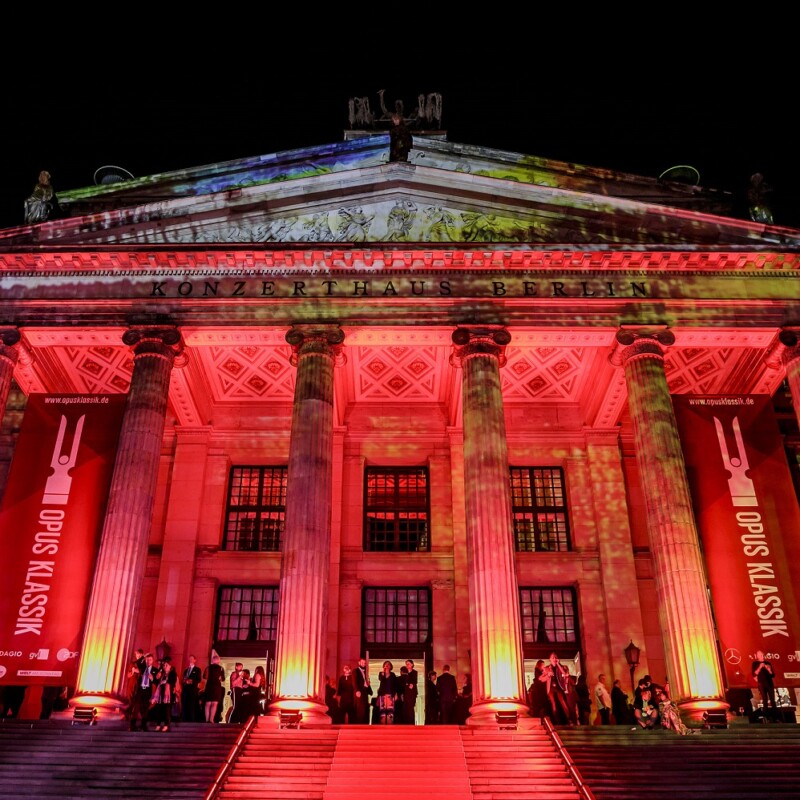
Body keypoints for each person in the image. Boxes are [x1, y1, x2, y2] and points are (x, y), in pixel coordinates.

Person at [540, 652, 573, 725]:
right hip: (551, 688)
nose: (554, 659)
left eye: (555, 657)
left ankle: (569, 719)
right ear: (550, 659)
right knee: (554, 704)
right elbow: (541, 679)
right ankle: (557, 721)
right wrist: (548, 675)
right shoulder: (547, 668)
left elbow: (565, 674)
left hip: (559, 687)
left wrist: (558, 664)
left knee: (563, 702)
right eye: (552, 658)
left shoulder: (562, 667)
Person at [130, 652, 156, 731]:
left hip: (147, 691)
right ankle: (132, 726)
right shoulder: (142, 667)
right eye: (147, 660)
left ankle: (143, 726)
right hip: (140, 690)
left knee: (145, 709)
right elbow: (137, 662)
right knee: (136, 708)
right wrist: (143, 656)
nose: (148, 661)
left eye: (150, 660)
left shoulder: (155, 670)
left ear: (153, 661)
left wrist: (153, 679)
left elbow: (157, 681)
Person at [151, 657, 177, 731]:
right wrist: (155, 678)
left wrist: (166, 682)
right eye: (164, 665)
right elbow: (157, 682)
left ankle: (166, 724)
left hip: (168, 695)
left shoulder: (172, 673)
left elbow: (173, 682)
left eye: (166, 665)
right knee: (159, 709)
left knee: (167, 710)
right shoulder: (162, 674)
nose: (165, 667)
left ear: (169, 666)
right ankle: (158, 724)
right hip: (160, 694)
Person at [752, 650, 777, 721]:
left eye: (762, 655)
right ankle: (766, 717)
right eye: (760, 655)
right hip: (761, 684)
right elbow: (754, 674)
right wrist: (760, 667)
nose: (761, 656)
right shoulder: (755, 663)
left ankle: (775, 717)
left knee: (773, 700)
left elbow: (773, 675)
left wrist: (769, 670)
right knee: (765, 700)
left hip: (770, 683)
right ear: (757, 656)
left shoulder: (768, 663)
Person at [203, 653, 225, 723]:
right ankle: (211, 719)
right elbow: (222, 678)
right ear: (218, 661)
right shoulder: (221, 668)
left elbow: (204, 677)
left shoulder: (208, 667)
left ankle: (206, 719)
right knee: (214, 703)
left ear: (212, 660)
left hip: (209, 685)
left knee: (208, 703)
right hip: (216, 686)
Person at [181, 654, 202, 722]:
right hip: (185, 690)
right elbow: (183, 679)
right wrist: (185, 681)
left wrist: (191, 681)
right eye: (189, 658)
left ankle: (191, 719)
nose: (190, 660)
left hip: (193, 690)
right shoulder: (186, 670)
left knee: (192, 705)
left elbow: (199, 679)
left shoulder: (197, 669)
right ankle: (184, 719)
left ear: (195, 660)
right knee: (185, 704)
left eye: (192, 658)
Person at [354, 657, 372, 724]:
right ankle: (360, 725)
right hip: (360, 693)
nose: (363, 664)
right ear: (359, 663)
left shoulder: (366, 672)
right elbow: (354, 682)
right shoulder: (355, 671)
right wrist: (357, 691)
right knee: (360, 710)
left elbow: (366, 682)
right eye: (362, 662)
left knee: (365, 709)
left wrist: (369, 688)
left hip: (365, 693)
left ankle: (366, 725)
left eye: (365, 663)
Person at [402, 659, 418, 725]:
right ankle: (406, 723)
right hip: (406, 692)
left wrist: (410, 684)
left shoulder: (415, 672)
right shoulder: (405, 672)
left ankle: (412, 723)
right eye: (406, 664)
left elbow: (414, 681)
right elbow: (405, 682)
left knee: (411, 708)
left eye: (408, 664)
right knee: (406, 708)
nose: (407, 665)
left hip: (412, 693)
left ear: (412, 665)